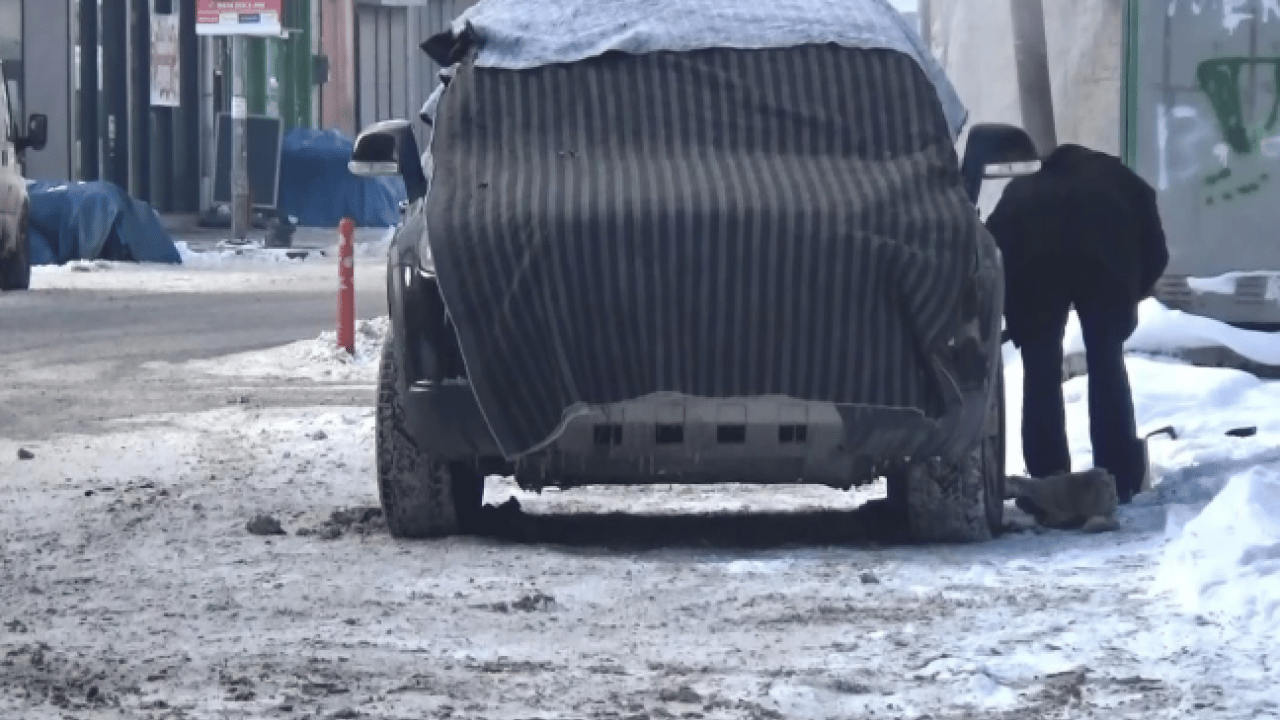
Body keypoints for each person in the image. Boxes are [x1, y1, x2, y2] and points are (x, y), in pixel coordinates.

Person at [985, 143, 1169, 505]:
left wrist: (1014, 312)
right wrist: (1132, 292)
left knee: (1039, 369)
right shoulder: (1121, 182)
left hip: (1036, 270)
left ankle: (1047, 476)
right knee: (1107, 361)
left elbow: (991, 248)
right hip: (1105, 270)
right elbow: (1156, 251)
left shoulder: (1022, 191)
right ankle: (1120, 475)